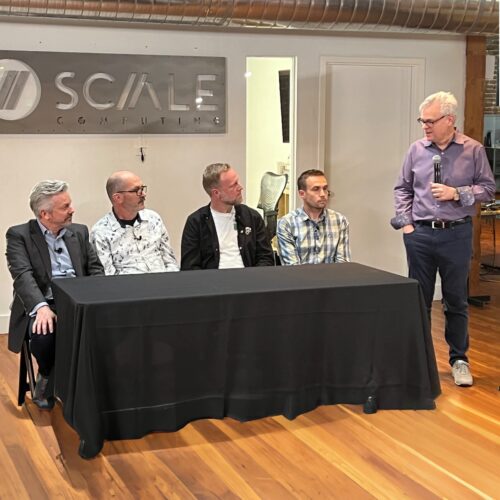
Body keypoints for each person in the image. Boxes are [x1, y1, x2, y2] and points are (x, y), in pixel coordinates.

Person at [391, 91, 496, 387]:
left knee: (456, 300)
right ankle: (418, 361)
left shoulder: (472, 150)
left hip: (457, 234)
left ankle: (459, 360)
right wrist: (407, 225)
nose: (425, 126)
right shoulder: (416, 150)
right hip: (421, 235)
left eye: (430, 121)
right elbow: (402, 189)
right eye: (422, 121)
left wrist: (457, 193)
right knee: (418, 300)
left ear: (449, 120)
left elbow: (488, 189)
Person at [6, 180, 104, 410]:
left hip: (80, 299)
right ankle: (47, 376)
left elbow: (95, 269)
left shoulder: (79, 231)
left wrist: (99, 299)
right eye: (65, 206)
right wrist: (40, 307)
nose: (72, 209)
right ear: (45, 214)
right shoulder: (19, 235)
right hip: (44, 300)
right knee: (45, 332)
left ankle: (96, 382)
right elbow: (22, 276)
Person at [181, 163, 274, 269]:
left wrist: (253, 277)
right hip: (213, 278)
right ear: (216, 193)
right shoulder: (196, 223)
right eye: (233, 185)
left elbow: (266, 258)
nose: (240, 188)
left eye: (237, 182)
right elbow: (190, 267)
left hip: (248, 276)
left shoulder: (252, 217)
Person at [91, 170, 179, 275]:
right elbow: (108, 277)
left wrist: (172, 281)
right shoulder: (101, 232)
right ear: (118, 198)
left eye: (142, 189)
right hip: (129, 284)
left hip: (163, 281)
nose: (143, 194)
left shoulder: (153, 219)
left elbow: (170, 261)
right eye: (137, 190)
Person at [277, 169, 351, 265]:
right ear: (302, 194)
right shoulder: (287, 223)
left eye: (325, 188)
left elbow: (342, 263)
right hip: (300, 275)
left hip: (333, 274)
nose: (323, 194)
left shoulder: (339, 221)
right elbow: (292, 267)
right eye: (316, 189)